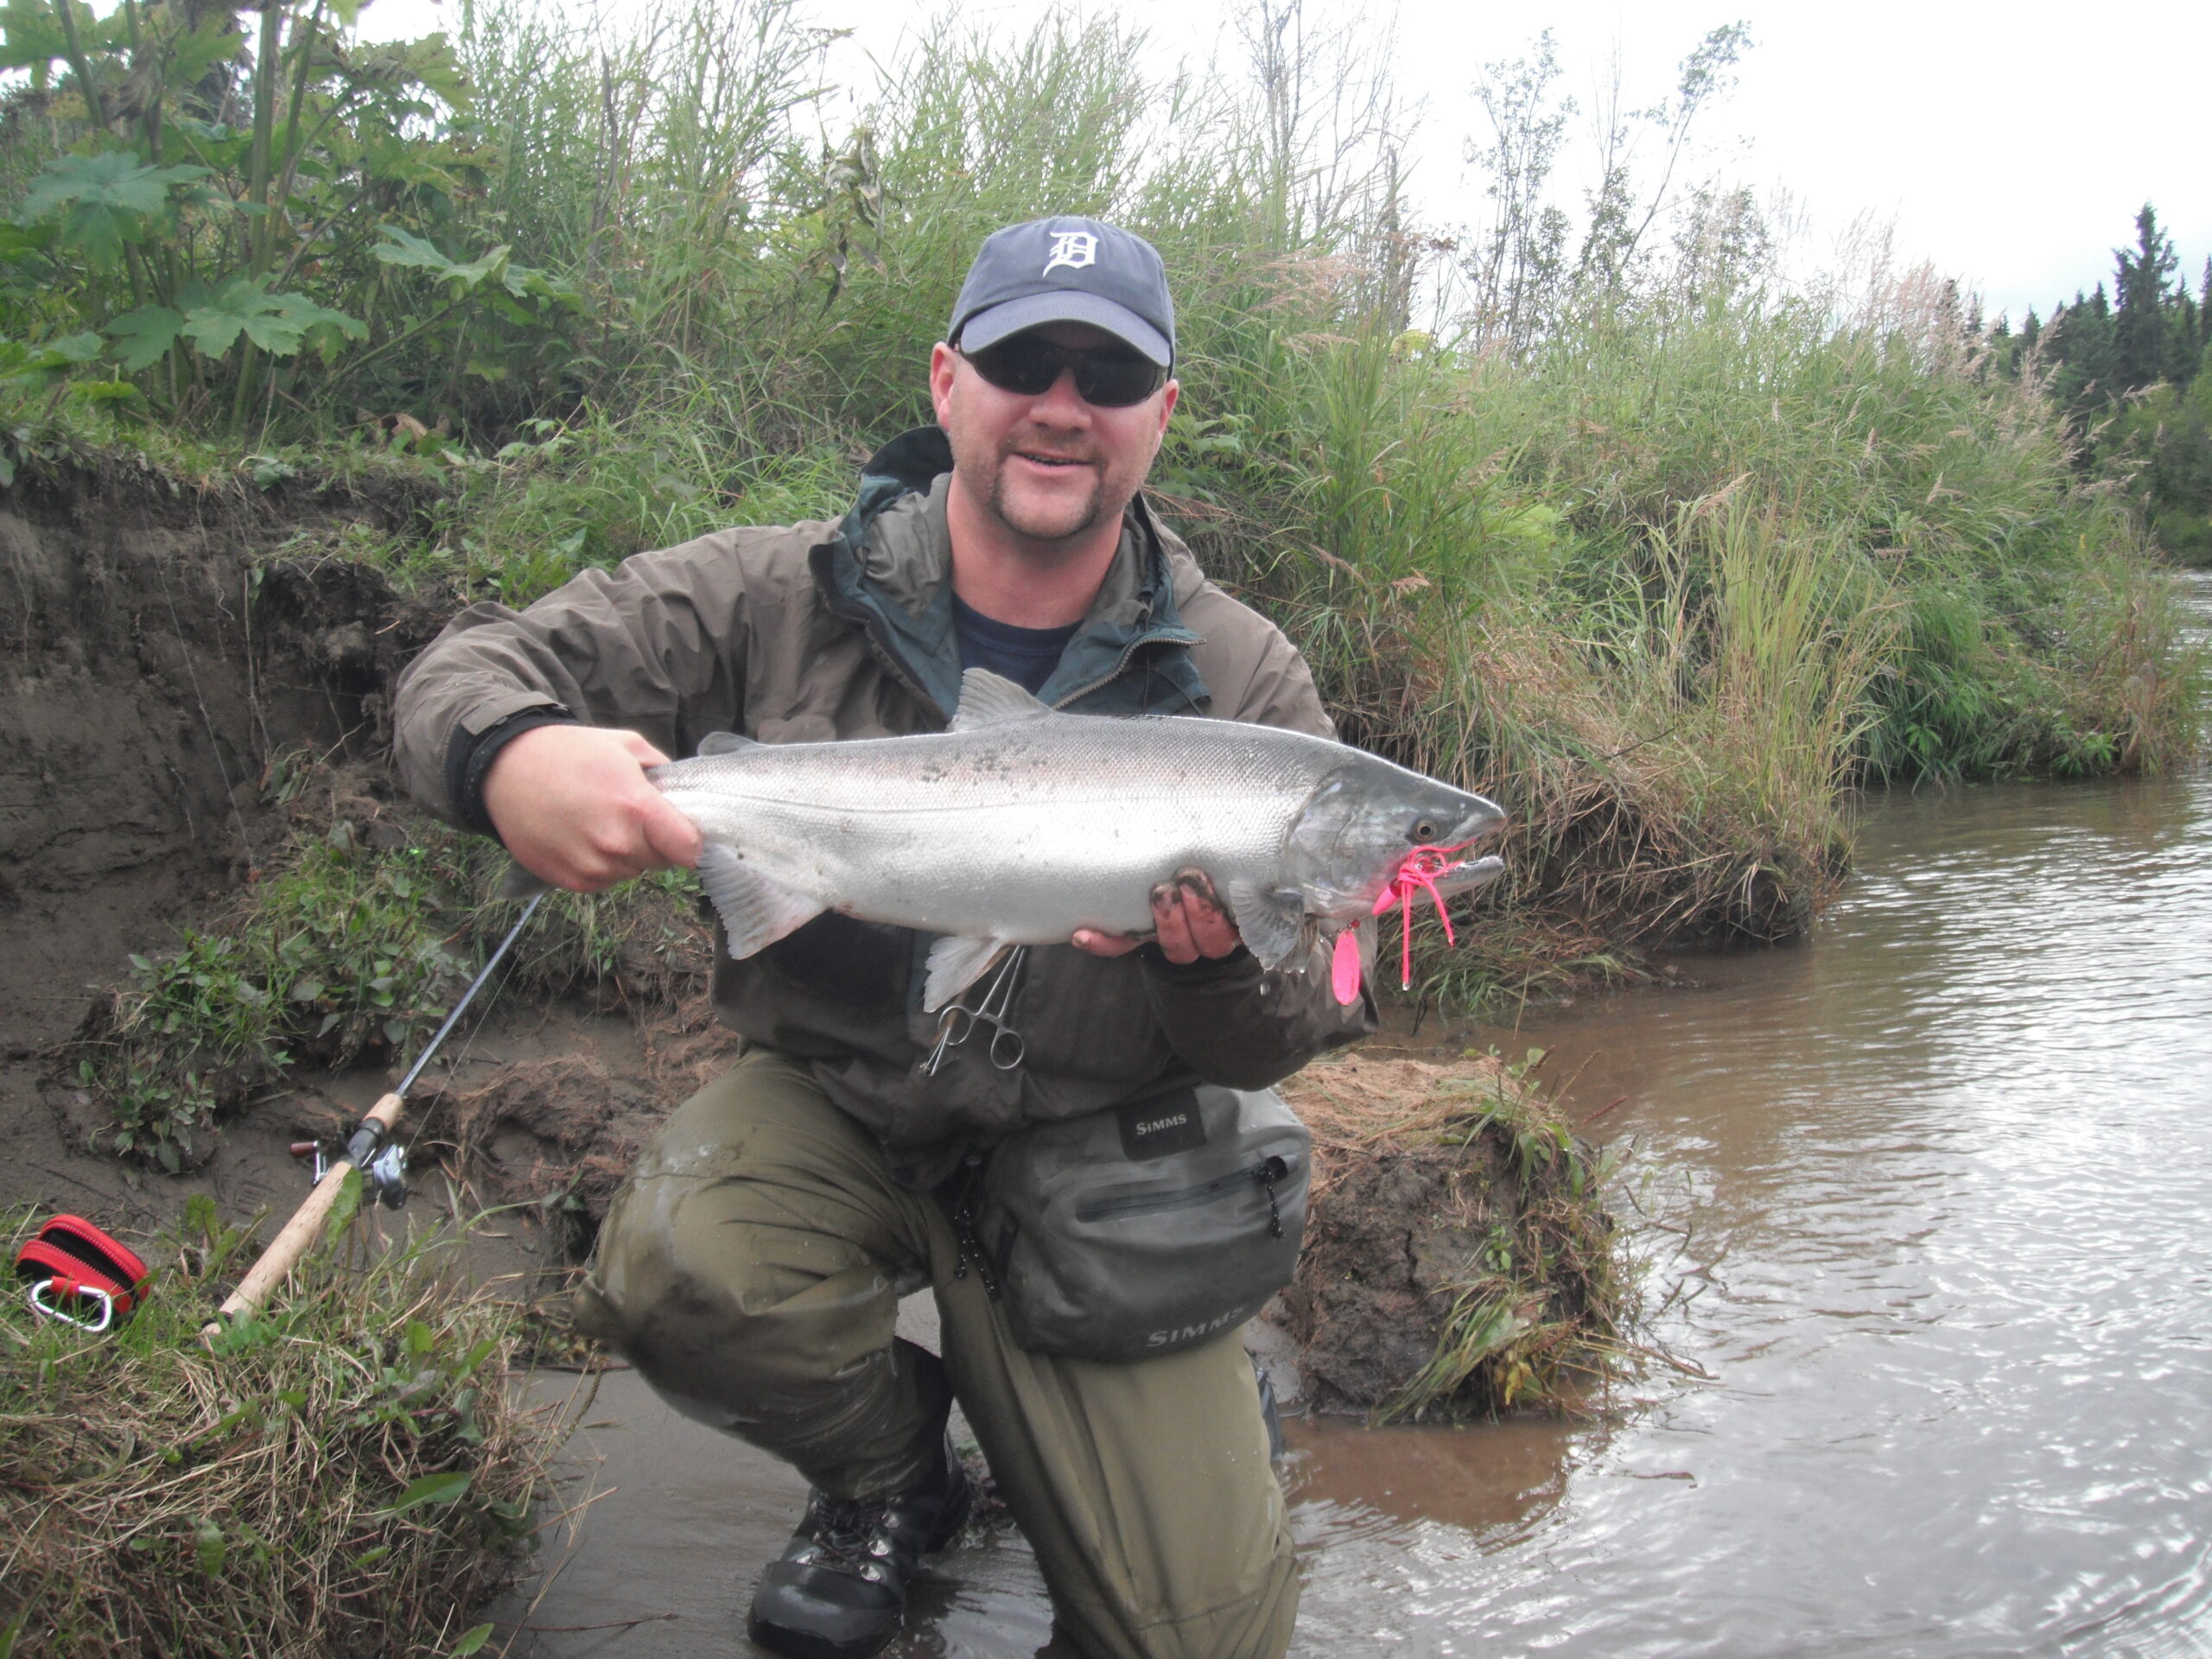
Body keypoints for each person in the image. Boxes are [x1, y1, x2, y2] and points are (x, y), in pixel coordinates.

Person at [393, 216, 1375, 1659]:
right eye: (1021, 359)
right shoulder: (769, 591)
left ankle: (1174, 1436)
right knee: (677, 1264)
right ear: (944, 383)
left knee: (1200, 1643)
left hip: (1099, 1156)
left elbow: (1304, 1020)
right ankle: (893, 1478)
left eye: (1108, 377)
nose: (1060, 404)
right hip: (843, 1108)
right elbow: (462, 669)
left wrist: (1212, 960)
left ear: (1159, 417)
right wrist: (508, 758)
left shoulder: (1241, 677)